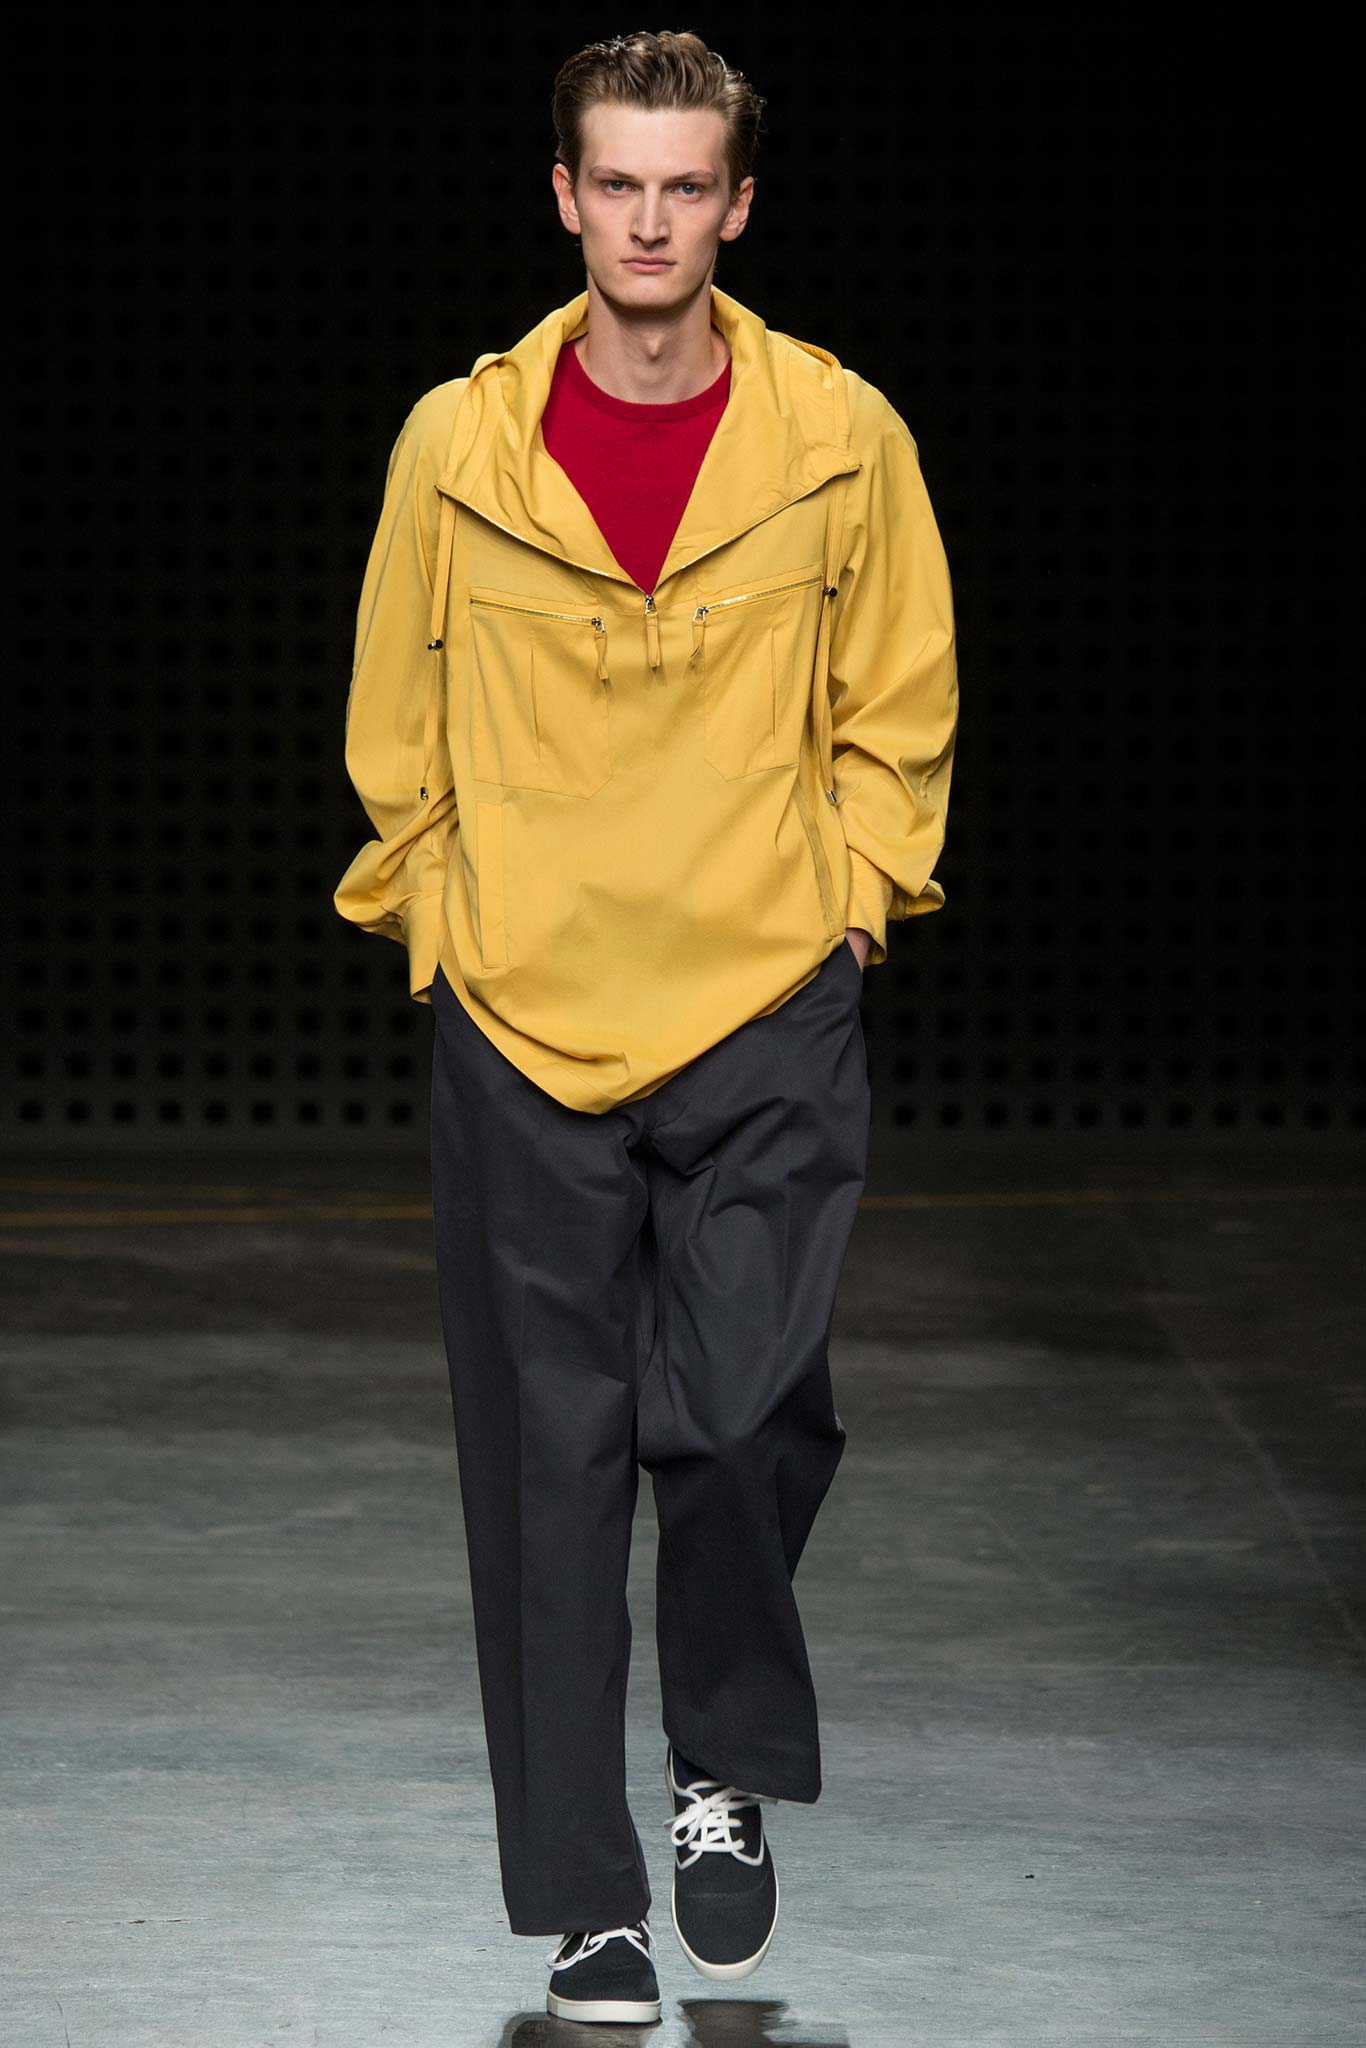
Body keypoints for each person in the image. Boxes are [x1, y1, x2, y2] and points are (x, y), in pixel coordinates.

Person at [334, 27, 957, 2027]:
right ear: (564, 196)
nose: (649, 221)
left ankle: (717, 1763)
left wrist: (849, 908)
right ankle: (586, 1899)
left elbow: (896, 702)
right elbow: (394, 720)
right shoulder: (459, 445)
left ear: (737, 205)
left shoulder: (838, 434)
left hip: (762, 991)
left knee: (743, 1410)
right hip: (526, 1008)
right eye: (617, 182)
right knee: (546, 1460)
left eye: (686, 186)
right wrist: (443, 928)